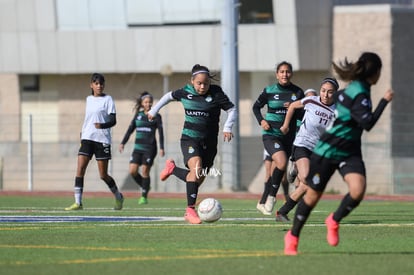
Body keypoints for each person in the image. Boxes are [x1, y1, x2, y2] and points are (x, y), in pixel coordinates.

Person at [284, 52, 394, 255]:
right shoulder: (359, 93)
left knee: (357, 190)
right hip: (327, 149)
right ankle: (292, 237)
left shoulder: (354, 90)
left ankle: (333, 220)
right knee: (312, 196)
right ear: (375, 72)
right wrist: (384, 101)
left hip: (349, 151)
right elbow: (367, 123)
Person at [148, 64, 237, 224]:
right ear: (192, 81)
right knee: (195, 171)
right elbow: (168, 96)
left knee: (197, 178)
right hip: (190, 139)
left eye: (206, 83)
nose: (203, 86)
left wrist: (227, 127)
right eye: (199, 83)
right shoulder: (185, 92)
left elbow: (232, 110)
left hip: (209, 143)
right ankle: (190, 210)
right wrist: (154, 111)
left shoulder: (216, 93)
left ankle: (172, 169)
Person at [275, 77, 339, 222]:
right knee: (306, 178)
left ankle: (282, 212)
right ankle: (296, 166)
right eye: (323, 91)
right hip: (302, 144)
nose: (325, 95)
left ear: (335, 93)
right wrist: (286, 125)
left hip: (318, 151)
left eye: (330, 92)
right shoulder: (311, 101)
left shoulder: (337, 111)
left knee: (306, 185)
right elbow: (292, 106)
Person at [65, 73, 124, 211]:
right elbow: (88, 119)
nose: (99, 86)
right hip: (87, 138)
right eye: (96, 83)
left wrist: (102, 126)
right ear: (91, 85)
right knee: (80, 169)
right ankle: (78, 202)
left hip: (102, 139)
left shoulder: (108, 99)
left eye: (101, 83)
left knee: (103, 175)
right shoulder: (88, 99)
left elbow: (113, 120)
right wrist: (83, 132)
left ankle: (118, 196)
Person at [253, 61, 305, 215]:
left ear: (291, 74)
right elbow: (256, 107)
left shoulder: (298, 93)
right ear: (277, 74)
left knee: (278, 169)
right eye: (281, 72)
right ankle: (271, 197)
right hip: (271, 135)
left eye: (287, 71)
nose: (284, 74)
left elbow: (302, 116)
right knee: (281, 162)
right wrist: (261, 121)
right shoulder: (269, 91)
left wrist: (294, 108)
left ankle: (265, 199)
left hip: (288, 137)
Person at [118, 91, 165, 205]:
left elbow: (161, 133)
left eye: (150, 102)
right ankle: (145, 186)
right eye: (146, 102)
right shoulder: (138, 115)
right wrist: (123, 143)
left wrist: (162, 147)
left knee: (144, 171)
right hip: (137, 148)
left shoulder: (156, 116)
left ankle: (144, 196)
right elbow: (130, 130)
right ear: (142, 103)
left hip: (150, 149)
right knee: (133, 171)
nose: (148, 104)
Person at [286, 88, 318, 185]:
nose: (311, 99)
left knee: (307, 174)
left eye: (313, 97)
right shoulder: (299, 111)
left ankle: (297, 196)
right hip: (300, 144)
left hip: (314, 145)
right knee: (303, 173)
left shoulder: (317, 113)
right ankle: (295, 170)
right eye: (308, 97)